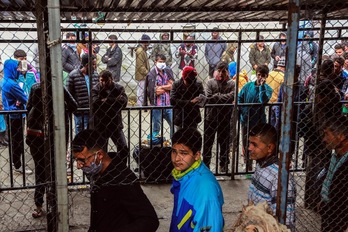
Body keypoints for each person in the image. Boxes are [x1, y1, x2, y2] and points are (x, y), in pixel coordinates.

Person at [71, 129, 159, 232]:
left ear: (99, 155)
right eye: (76, 160)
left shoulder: (123, 180)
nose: (78, 166)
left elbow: (150, 220)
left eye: (82, 160)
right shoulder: (98, 174)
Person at [26, 82, 77, 218]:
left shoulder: (35, 87)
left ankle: (39, 205)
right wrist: (62, 108)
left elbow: (28, 107)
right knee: (56, 171)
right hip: (56, 135)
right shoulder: (59, 87)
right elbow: (74, 106)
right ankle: (54, 205)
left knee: (40, 171)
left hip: (36, 135)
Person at [170, 127, 224, 232]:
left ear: (197, 155)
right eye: (174, 152)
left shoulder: (206, 191)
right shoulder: (184, 175)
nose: (176, 158)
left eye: (184, 153)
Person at [299, 79, 342, 211]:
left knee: (323, 173)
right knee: (313, 173)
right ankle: (311, 201)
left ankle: (318, 200)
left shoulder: (333, 106)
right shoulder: (311, 109)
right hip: (315, 145)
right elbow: (301, 127)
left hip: (326, 146)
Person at [247, 123, 296, 231]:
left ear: (270, 147)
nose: (249, 148)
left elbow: (286, 223)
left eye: (254, 145)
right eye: (249, 143)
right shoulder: (261, 165)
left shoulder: (279, 178)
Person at [238, 64, 272, 172]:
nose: (260, 77)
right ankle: (248, 166)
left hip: (259, 121)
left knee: (258, 144)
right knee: (246, 143)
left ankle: (258, 166)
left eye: (263, 75)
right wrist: (242, 111)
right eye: (258, 75)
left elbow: (263, 100)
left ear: (266, 76)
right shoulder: (248, 86)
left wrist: (261, 86)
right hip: (246, 120)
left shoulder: (267, 89)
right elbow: (240, 97)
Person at [203, 61, 235, 172]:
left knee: (224, 143)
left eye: (223, 71)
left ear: (227, 72)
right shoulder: (210, 82)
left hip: (225, 118)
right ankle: (206, 165)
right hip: (210, 117)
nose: (220, 74)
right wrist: (222, 98)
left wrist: (216, 96)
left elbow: (232, 96)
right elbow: (208, 98)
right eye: (219, 71)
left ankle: (224, 164)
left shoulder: (231, 83)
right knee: (208, 143)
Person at [2, 59, 32, 174]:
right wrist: (22, 99)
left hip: (10, 113)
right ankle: (18, 165)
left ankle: (16, 163)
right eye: (16, 68)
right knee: (17, 141)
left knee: (15, 140)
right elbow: (25, 99)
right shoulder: (12, 84)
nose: (18, 70)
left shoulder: (5, 80)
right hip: (16, 115)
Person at [91, 70, 129, 163]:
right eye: (101, 81)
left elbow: (123, 103)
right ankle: (103, 171)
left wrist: (105, 101)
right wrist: (114, 100)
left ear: (111, 79)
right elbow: (95, 104)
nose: (103, 83)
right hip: (101, 124)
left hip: (115, 123)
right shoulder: (95, 89)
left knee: (123, 147)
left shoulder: (118, 88)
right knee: (102, 150)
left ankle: (121, 168)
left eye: (106, 81)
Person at [319, 115, 348, 232]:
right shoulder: (335, 155)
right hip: (330, 212)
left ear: (341, 136)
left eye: (327, 134)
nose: (324, 139)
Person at [66, 53, 98, 134]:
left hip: (94, 111)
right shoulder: (73, 75)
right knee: (81, 135)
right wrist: (75, 109)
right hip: (81, 112)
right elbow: (68, 94)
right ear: (87, 65)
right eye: (93, 64)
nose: (95, 67)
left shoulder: (96, 75)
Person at [143, 54, 174, 137]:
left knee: (173, 125)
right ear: (155, 62)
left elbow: (172, 86)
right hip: (157, 106)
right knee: (156, 129)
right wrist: (167, 87)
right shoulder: (151, 74)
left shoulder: (168, 71)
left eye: (164, 62)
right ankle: (156, 145)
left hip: (168, 105)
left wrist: (161, 87)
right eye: (160, 62)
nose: (162, 63)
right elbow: (155, 91)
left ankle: (173, 144)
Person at [170, 66, 204, 130]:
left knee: (193, 135)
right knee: (180, 136)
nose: (189, 84)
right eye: (188, 82)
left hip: (193, 115)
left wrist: (199, 100)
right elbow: (172, 100)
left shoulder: (197, 84)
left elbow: (202, 97)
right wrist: (190, 102)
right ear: (184, 78)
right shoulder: (176, 84)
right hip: (180, 115)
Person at [135, 34, 151, 106]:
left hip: (143, 74)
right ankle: (140, 105)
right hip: (142, 75)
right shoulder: (140, 51)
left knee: (142, 90)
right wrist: (148, 73)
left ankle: (141, 104)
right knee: (141, 90)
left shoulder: (143, 50)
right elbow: (140, 65)